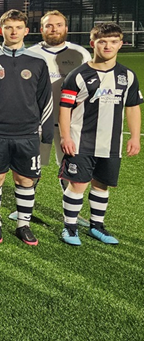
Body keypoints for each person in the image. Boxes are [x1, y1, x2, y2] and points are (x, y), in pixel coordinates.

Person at [0, 9, 53, 246]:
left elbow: (45, 99)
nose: (13, 32)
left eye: (18, 27)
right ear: (0, 30)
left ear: (26, 31)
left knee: (25, 180)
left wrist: (46, 131)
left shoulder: (38, 62)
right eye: (8, 27)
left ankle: (23, 225)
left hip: (27, 134)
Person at [59, 22, 141, 245]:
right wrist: (65, 137)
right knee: (77, 185)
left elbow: (132, 107)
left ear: (121, 44)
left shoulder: (128, 76)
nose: (108, 46)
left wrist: (134, 136)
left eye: (114, 42)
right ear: (92, 43)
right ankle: (70, 227)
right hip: (80, 141)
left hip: (111, 143)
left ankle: (97, 226)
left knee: (102, 185)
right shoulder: (78, 75)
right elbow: (65, 108)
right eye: (102, 41)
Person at [14, 11, 92, 222]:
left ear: (66, 28)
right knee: (31, 165)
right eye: (49, 26)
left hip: (72, 124)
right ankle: (23, 208)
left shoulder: (81, 54)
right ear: (41, 29)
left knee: (70, 166)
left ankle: (72, 211)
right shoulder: (30, 53)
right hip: (38, 122)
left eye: (58, 25)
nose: (54, 29)